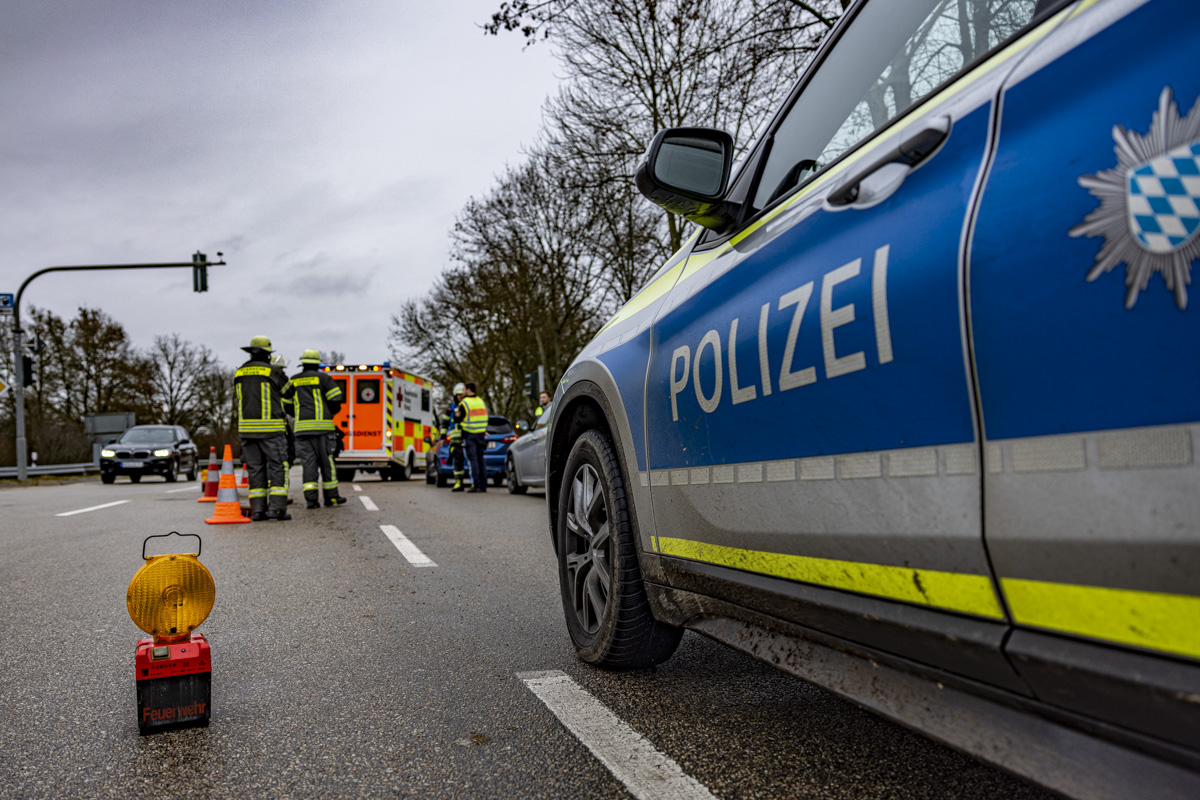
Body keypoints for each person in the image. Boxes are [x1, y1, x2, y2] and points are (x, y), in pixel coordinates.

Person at [234, 335, 294, 521]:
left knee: (255, 469)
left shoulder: (240, 372)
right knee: (278, 468)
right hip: (271, 430)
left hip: (247, 431)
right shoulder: (273, 371)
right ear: (268, 355)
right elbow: (290, 392)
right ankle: (277, 509)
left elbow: (240, 397)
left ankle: (258, 511)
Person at [290, 349, 346, 509]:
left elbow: (286, 404)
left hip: (301, 431)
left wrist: (299, 415)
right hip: (323, 429)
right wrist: (328, 414)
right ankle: (332, 498)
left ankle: (311, 501)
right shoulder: (323, 378)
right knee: (327, 463)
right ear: (317, 363)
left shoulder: (293, 380)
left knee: (308, 465)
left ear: (303, 363)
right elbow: (336, 399)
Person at [459, 382, 489, 493]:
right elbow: (486, 416)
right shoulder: (481, 401)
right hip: (481, 434)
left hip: (470, 434)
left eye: (464, 390)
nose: (463, 392)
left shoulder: (465, 403)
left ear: (468, 390)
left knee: (473, 460)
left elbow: (458, 418)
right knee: (481, 460)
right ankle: (483, 485)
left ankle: (476, 485)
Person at [447, 383, 469, 492]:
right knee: (457, 461)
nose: (460, 396)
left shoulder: (465, 405)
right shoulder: (451, 407)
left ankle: (473, 482)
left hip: (466, 436)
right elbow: (445, 422)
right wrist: (442, 436)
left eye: (462, 394)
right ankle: (458, 482)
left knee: (469, 460)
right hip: (455, 439)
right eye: (458, 394)